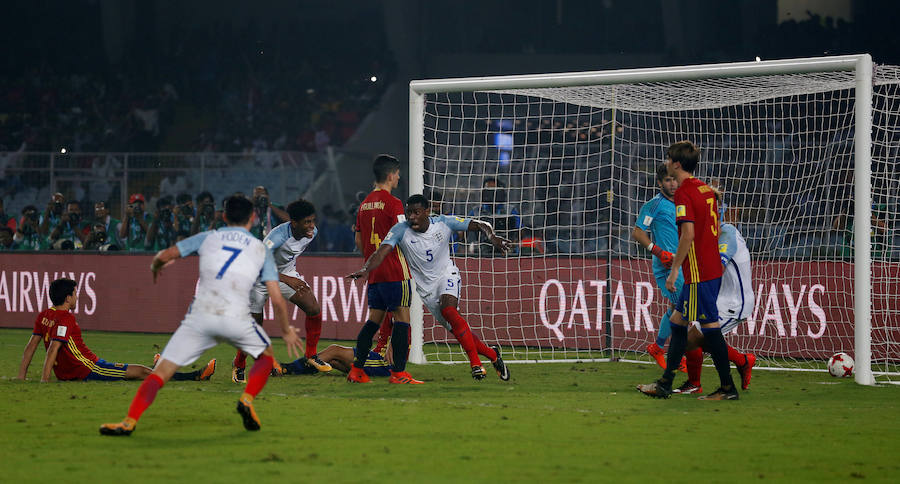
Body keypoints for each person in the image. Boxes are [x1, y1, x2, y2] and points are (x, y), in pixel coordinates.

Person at [99, 196, 303, 436]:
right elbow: (277, 299)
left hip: (201, 317)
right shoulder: (260, 249)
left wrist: (155, 267)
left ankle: (129, 421)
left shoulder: (209, 237)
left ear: (224, 216)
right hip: (236, 317)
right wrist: (287, 330)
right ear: (253, 218)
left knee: (162, 371)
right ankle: (247, 399)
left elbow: (164, 256)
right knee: (266, 357)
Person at [348, 194, 511, 381]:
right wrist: (366, 268)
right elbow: (382, 251)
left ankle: (475, 364)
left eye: (416, 213)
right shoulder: (400, 230)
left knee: (449, 309)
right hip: (427, 290)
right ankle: (492, 355)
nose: (412, 218)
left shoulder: (444, 223)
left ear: (427, 212)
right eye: (409, 213)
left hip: (446, 275)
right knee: (457, 329)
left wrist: (492, 236)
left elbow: (481, 224)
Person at [637, 141, 738, 400]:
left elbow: (688, 235)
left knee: (709, 328)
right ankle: (665, 383)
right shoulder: (706, 189)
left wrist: (674, 272)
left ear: (677, 164)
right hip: (709, 268)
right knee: (677, 322)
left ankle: (727, 387)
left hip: (699, 272)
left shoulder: (684, 193)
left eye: (669, 159)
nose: (667, 163)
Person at [17, 278, 215, 383]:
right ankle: (194, 376)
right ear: (68, 298)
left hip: (79, 369)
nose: (77, 297)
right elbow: (53, 348)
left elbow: (31, 347)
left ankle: (175, 369)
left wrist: (21, 376)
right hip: (88, 369)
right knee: (143, 373)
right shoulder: (65, 318)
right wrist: (44, 380)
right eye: (76, 293)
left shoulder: (44, 315)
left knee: (145, 371)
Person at [232, 199, 331, 384]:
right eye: (307, 222)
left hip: (284, 273)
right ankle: (239, 364)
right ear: (294, 224)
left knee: (313, 308)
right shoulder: (276, 237)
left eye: (312, 220)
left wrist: (287, 276)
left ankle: (311, 355)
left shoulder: (312, 233)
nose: (312, 226)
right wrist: (287, 279)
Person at [672, 192, 757, 394]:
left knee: (692, 338)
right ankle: (696, 383)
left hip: (736, 303)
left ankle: (739, 365)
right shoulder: (706, 236)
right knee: (691, 335)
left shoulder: (727, 233)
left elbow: (717, 268)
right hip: (719, 298)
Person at [348, 154, 419, 384]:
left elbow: (359, 240)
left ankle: (357, 370)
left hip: (374, 273)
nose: (399, 177)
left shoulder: (364, 204)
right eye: (397, 173)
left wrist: (371, 259)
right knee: (402, 319)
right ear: (390, 175)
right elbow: (403, 235)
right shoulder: (394, 203)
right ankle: (398, 373)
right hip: (395, 271)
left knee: (373, 322)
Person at [632, 163, 686, 372]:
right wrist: (657, 251)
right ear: (659, 182)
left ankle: (658, 347)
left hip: (685, 263)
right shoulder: (654, 204)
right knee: (685, 309)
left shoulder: (683, 202)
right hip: (667, 265)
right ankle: (675, 354)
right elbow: (638, 232)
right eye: (668, 180)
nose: (673, 184)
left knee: (677, 309)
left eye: (675, 179)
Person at [280, 343, 394, 378]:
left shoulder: (395, 311)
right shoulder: (389, 310)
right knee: (332, 361)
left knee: (334, 351)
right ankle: (289, 369)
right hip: (376, 357)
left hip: (384, 365)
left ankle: (286, 368)